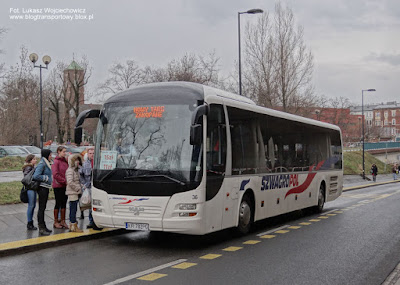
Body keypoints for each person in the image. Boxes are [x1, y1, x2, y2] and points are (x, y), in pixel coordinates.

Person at [79, 147, 101, 230]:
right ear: (87, 154)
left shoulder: (98, 163)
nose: (92, 155)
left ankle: (97, 222)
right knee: (89, 205)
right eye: (90, 153)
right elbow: (81, 174)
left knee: (97, 205)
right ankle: (91, 222)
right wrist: (83, 184)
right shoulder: (85, 164)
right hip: (88, 187)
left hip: (97, 187)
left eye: (93, 153)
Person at [33, 149, 53, 235]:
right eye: (50, 155)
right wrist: (46, 178)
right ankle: (41, 227)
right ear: (47, 155)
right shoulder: (42, 163)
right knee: (41, 208)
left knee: (43, 208)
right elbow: (36, 176)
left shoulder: (47, 163)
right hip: (42, 188)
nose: (51, 156)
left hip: (46, 188)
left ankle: (43, 226)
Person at [51, 146, 69, 229]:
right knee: (58, 203)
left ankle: (63, 220)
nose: (65, 153)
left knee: (64, 203)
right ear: (59, 151)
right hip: (58, 185)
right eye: (63, 152)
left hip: (65, 185)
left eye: (65, 152)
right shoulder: (56, 162)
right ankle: (55, 221)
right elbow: (55, 174)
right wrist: (64, 181)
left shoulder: (65, 161)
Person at [66, 154, 83, 232]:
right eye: (76, 160)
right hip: (72, 192)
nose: (78, 162)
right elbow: (70, 182)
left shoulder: (75, 170)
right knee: (73, 209)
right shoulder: (70, 170)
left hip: (75, 192)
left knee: (74, 209)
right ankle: (74, 226)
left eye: (78, 160)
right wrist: (77, 188)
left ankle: (72, 226)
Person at [22, 154, 38, 230]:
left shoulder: (32, 167)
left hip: (33, 188)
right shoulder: (28, 167)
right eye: (34, 159)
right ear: (30, 160)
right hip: (30, 188)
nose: (36, 160)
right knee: (31, 206)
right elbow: (27, 178)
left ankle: (31, 222)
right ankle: (29, 223)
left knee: (33, 205)